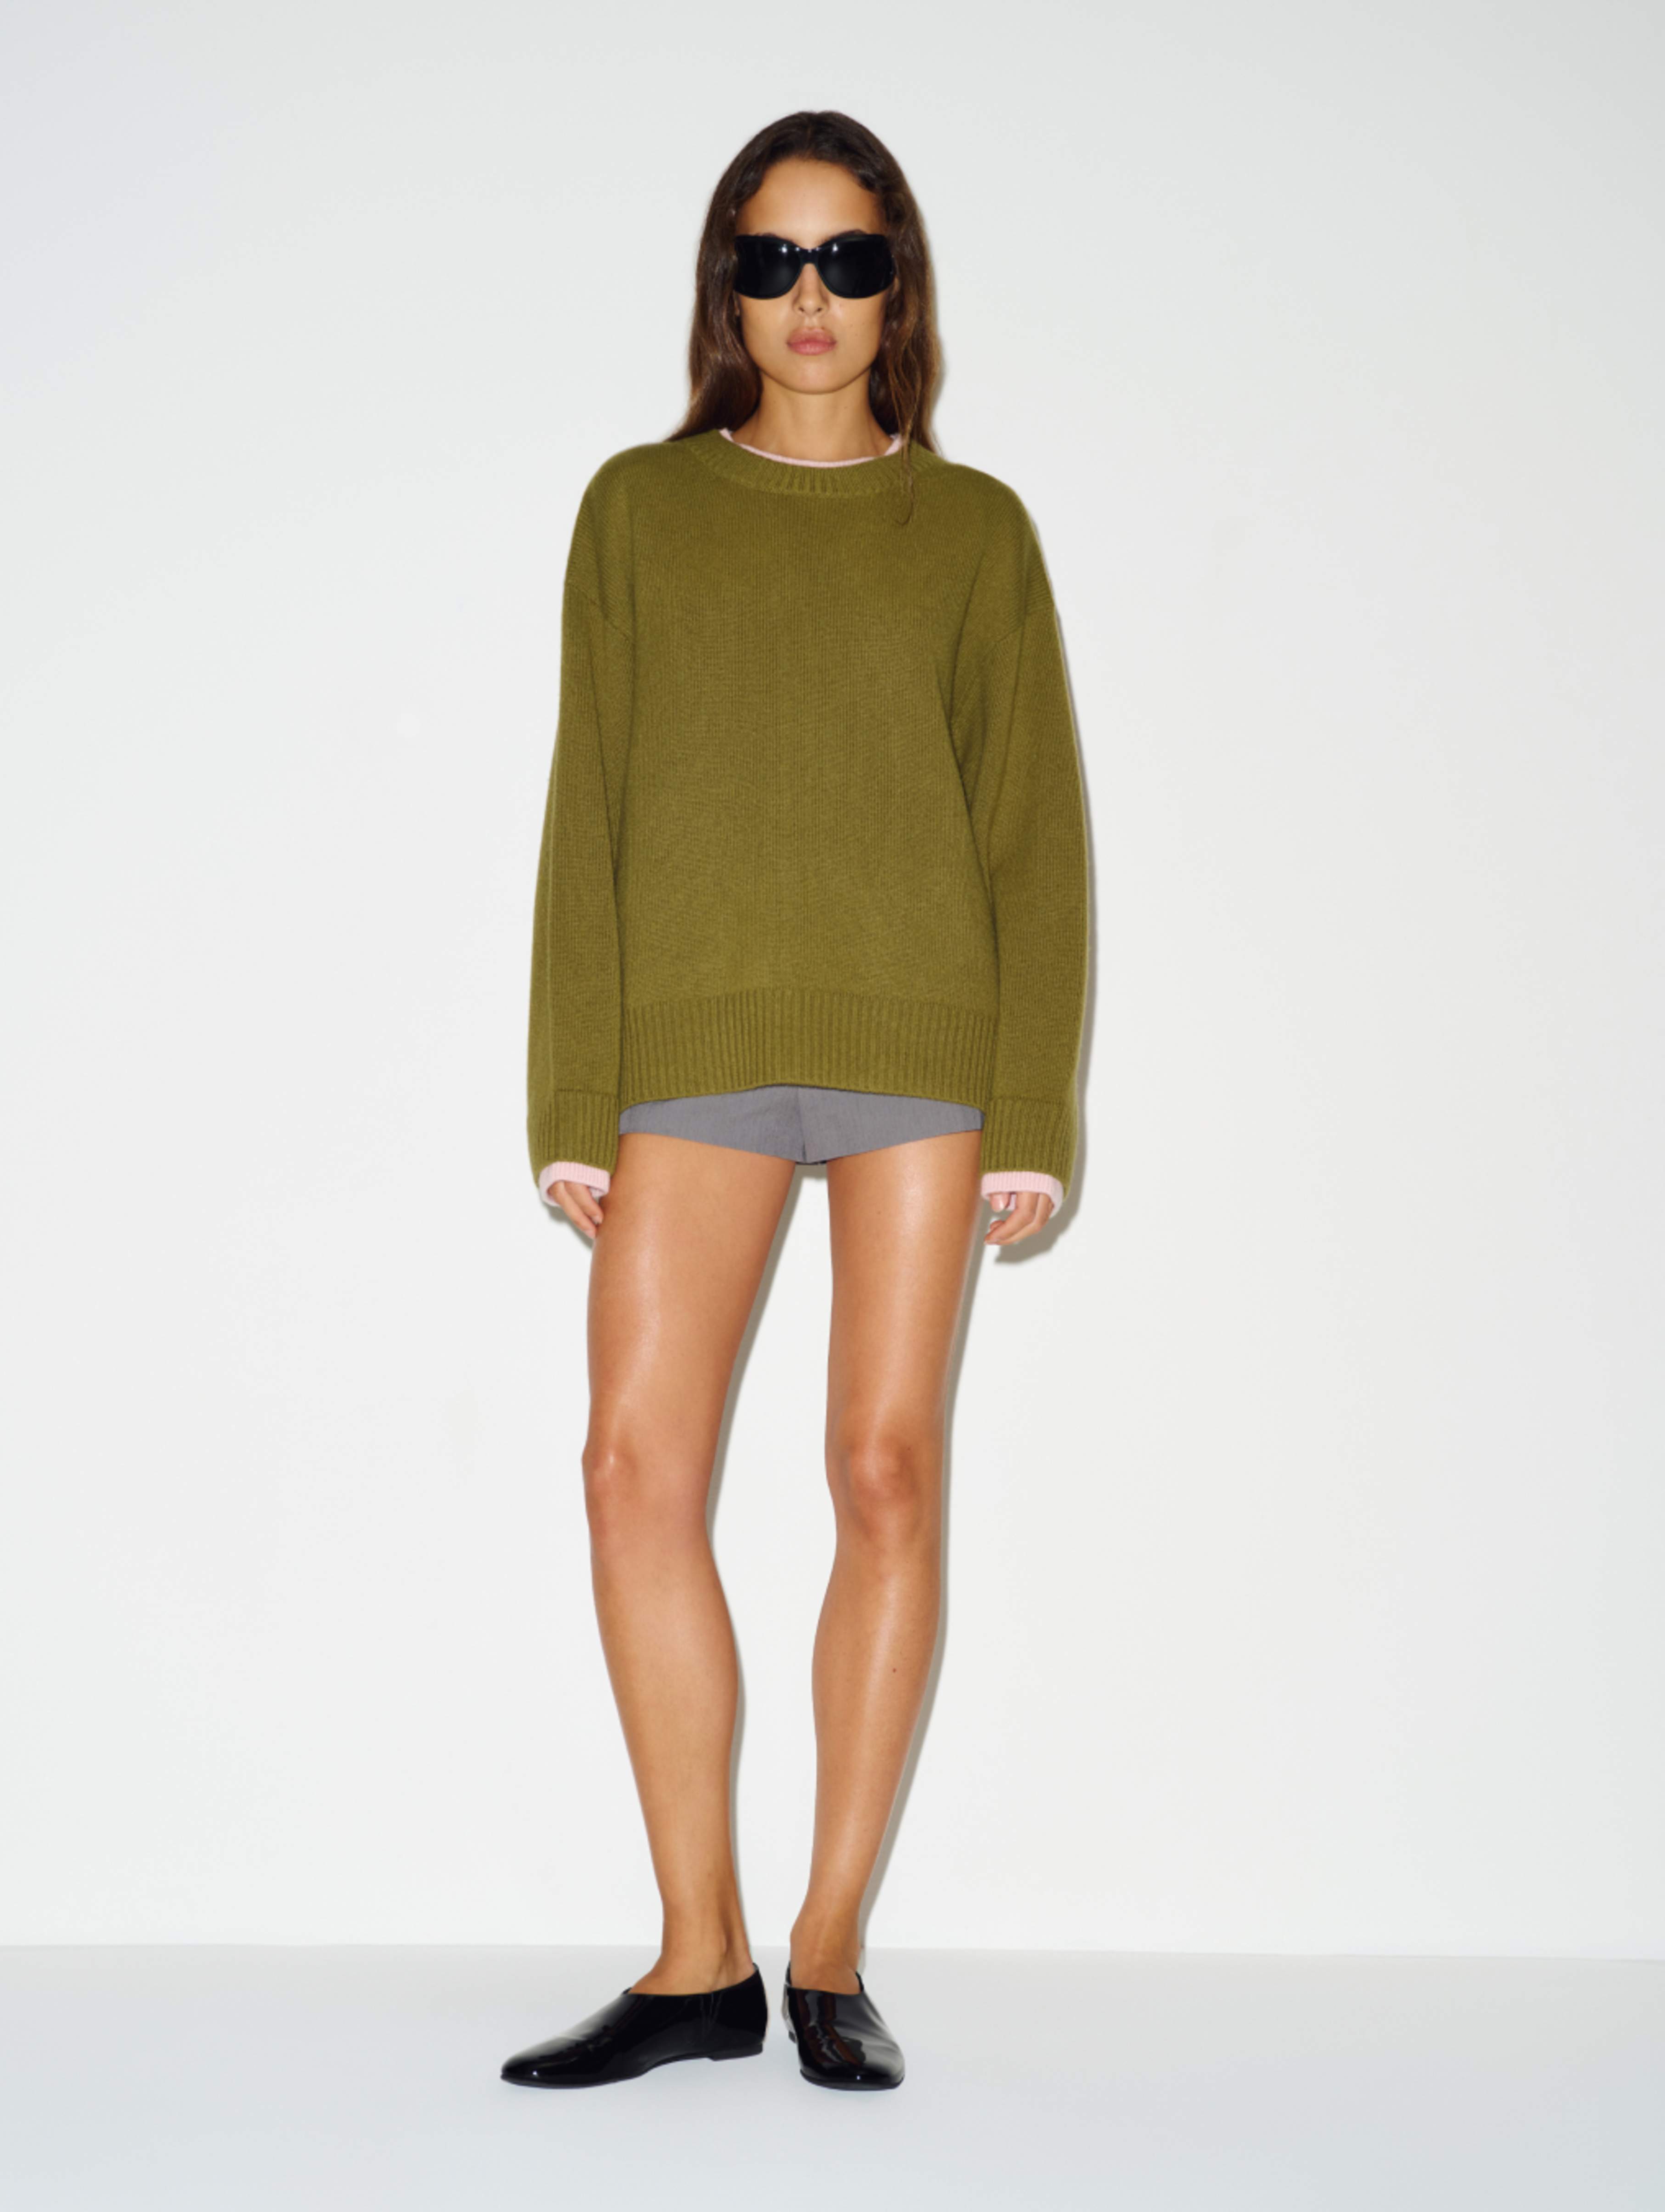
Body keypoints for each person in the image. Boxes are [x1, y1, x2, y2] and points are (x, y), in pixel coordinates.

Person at [504, 109, 1090, 2093]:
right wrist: (573, 1086)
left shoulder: (977, 531)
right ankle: (701, 1960)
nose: (809, 298)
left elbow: (1034, 834)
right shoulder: (639, 511)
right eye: (771, 260)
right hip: (692, 1043)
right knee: (631, 1468)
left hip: (924, 1043)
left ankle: (829, 1950)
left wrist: (1031, 1109)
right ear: (725, 289)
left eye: (847, 260)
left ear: (897, 289)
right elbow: (588, 801)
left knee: (885, 1471)